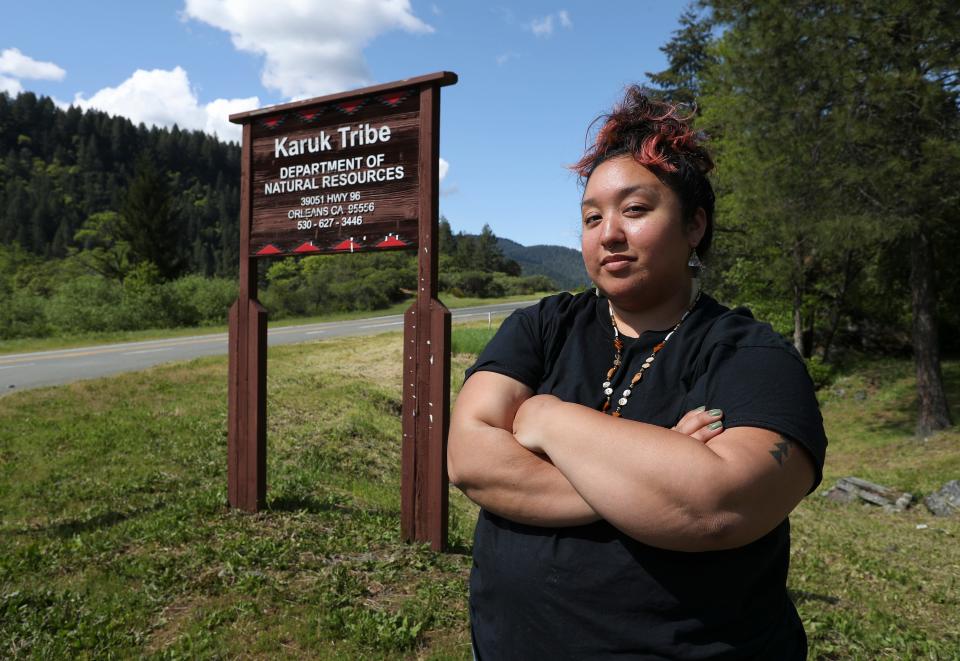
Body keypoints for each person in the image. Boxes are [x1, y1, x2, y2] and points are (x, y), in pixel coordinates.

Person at [447, 86, 828, 660]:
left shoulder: (749, 353)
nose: (609, 234)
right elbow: (470, 461)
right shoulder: (542, 326)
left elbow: (718, 506)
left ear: (694, 225)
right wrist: (656, 471)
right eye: (592, 217)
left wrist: (547, 419)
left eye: (635, 209)